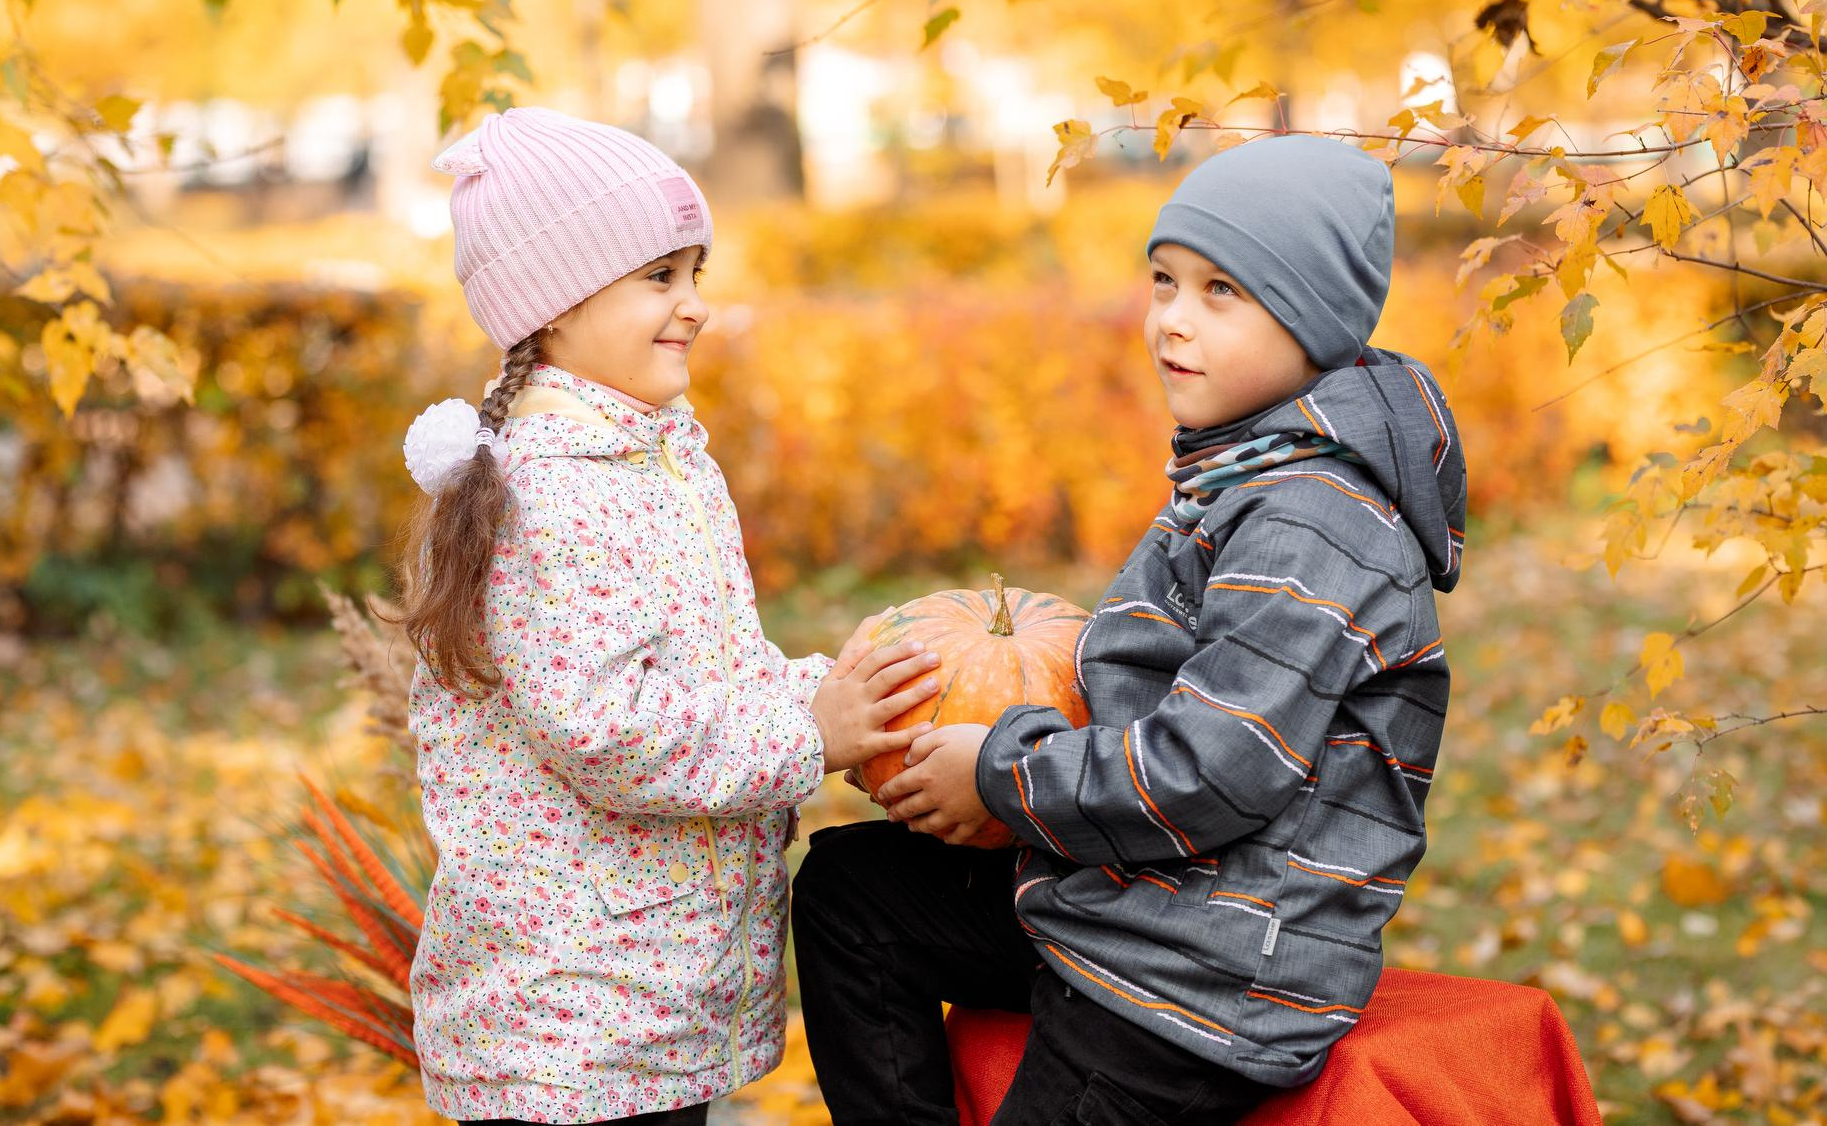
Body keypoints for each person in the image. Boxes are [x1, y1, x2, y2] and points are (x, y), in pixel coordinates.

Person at [793, 133, 1470, 1125]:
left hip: (1210, 967)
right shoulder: (1242, 469)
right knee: (853, 893)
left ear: (1314, 319)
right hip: (1144, 895)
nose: (1171, 321)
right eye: (1163, 281)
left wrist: (1001, 768)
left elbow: (1211, 770)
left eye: (1221, 292)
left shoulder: (1308, 520)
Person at [393, 107, 940, 1125]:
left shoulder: (650, 457)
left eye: (695, 273)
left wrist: (827, 692)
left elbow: (698, 678)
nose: (693, 305)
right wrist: (808, 732)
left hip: (636, 993)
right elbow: (612, 730)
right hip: (574, 1013)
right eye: (660, 277)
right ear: (553, 306)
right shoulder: (552, 495)